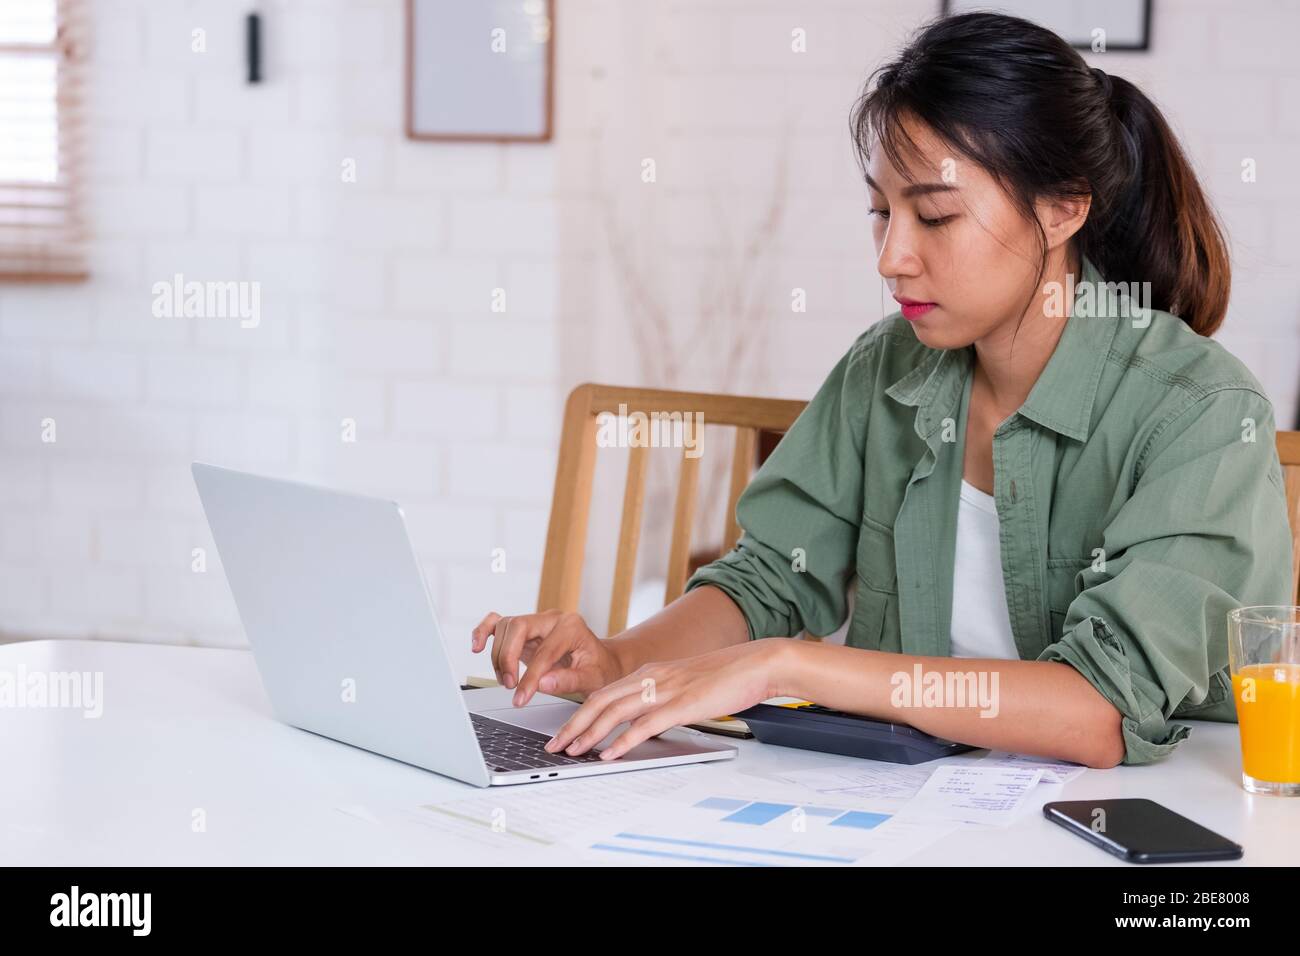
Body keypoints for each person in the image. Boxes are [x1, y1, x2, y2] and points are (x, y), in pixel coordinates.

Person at [472, 11, 1294, 769]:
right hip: (917, 805)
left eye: (934, 216)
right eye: (880, 212)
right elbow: (769, 582)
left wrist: (793, 665)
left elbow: (1099, 708)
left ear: (1063, 209)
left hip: (1157, 821)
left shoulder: (1204, 414)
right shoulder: (886, 368)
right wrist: (619, 659)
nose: (892, 256)